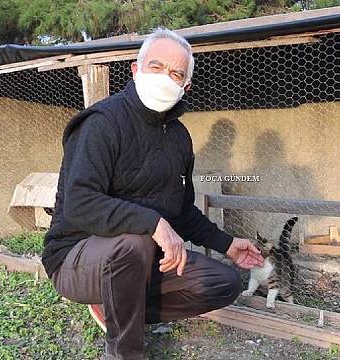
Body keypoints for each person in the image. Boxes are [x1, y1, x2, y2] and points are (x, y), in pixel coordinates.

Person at [41, 27, 264, 360]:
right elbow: (79, 203)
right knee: (135, 241)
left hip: (138, 260)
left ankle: (114, 306)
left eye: (175, 73)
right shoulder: (102, 123)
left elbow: (182, 211)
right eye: (156, 67)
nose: (165, 77)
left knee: (223, 282)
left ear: (185, 86)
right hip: (77, 257)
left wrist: (228, 244)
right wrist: (153, 224)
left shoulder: (178, 138)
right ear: (135, 69)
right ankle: (124, 352)